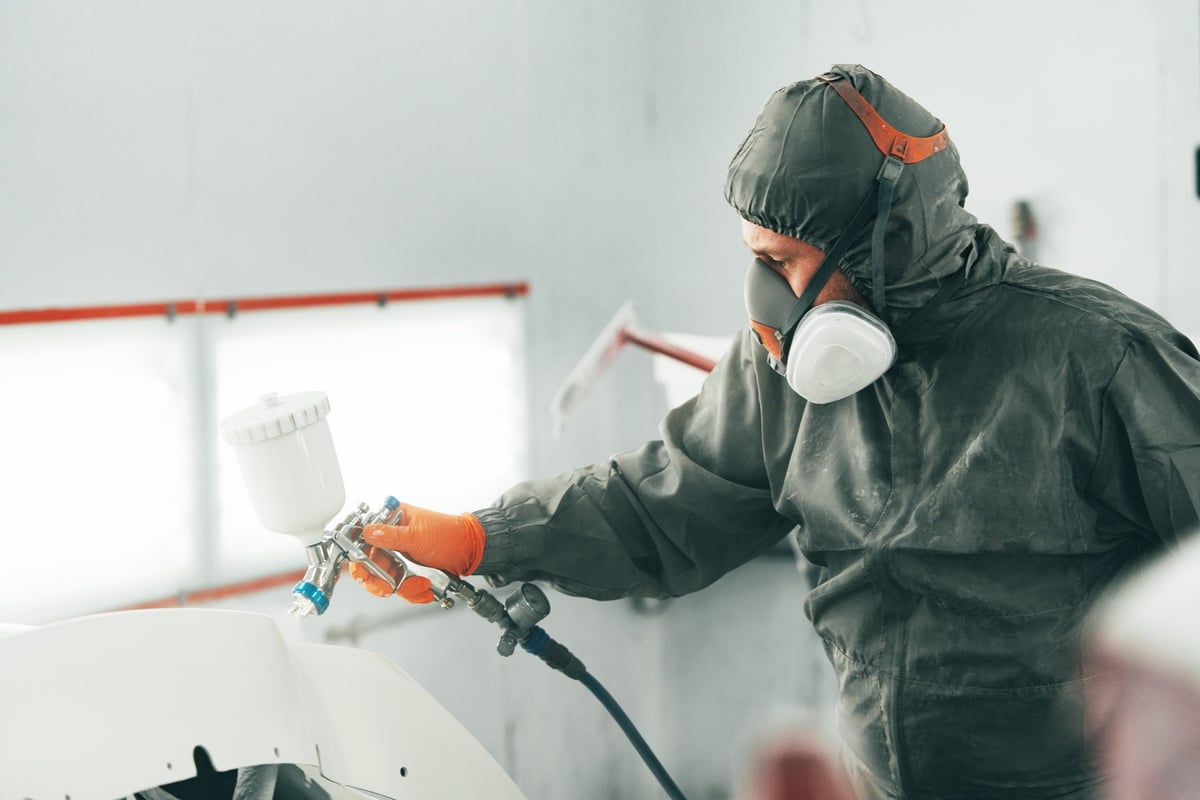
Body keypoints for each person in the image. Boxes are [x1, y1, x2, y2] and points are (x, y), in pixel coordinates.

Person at [350, 64, 1200, 798]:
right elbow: (661, 506)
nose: (768, 305)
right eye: (755, 259)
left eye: (781, 265)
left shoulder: (1099, 358)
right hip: (875, 782)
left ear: (889, 243)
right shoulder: (789, 372)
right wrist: (480, 538)